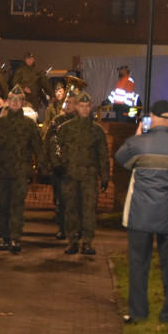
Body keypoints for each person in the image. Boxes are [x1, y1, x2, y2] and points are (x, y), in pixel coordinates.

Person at [115, 100, 168, 324]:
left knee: (139, 265)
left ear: (151, 118)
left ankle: (138, 313)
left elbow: (121, 159)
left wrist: (139, 135)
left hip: (140, 214)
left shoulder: (136, 144)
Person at [0, 85, 48, 253]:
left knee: (17, 205)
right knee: (2, 205)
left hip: (21, 172)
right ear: (7, 101)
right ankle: (5, 237)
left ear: (23, 102)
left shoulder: (29, 125)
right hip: (2, 171)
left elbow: (38, 147)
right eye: (12, 100)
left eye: (18, 100)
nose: (15, 103)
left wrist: (43, 168)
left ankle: (14, 238)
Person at [55, 92, 110, 256]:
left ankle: (87, 242)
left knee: (88, 210)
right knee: (71, 209)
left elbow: (103, 155)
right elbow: (55, 147)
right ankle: (72, 241)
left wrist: (105, 175)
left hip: (89, 177)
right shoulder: (65, 128)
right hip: (70, 176)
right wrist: (58, 165)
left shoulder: (97, 131)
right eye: (81, 106)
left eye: (87, 106)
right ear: (76, 107)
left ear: (90, 107)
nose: (84, 109)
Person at [43, 90, 78, 240]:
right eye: (67, 102)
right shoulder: (56, 120)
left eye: (71, 102)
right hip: (58, 168)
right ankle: (62, 228)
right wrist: (50, 163)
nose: (68, 105)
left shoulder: (81, 122)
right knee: (61, 200)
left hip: (75, 168)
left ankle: (75, 229)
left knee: (75, 200)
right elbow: (47, 142)